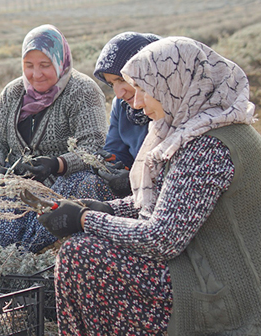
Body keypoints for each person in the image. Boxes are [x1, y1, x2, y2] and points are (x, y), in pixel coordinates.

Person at [39, 36, 261, 334]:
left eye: (144, 89)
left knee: (81, 256)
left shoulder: (208, 147)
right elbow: (174, 202)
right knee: (82, 250)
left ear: (175, 85)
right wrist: (107, 207)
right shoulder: (206, 129)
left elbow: (162, 239)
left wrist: (85, 219)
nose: (138, 102)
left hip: (222, 290)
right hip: (204, 264)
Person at [0, 24, 113, 253]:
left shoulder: (83, 91)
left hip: (58, 184)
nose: (36, 74)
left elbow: (94, 146)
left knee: (85, 184)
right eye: (29, 66)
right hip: (16, 184)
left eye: (45, 65)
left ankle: (37, 255)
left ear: (60, 61)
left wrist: (56, 164)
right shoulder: (14, 92)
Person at [92, 32, 161, 197]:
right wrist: (109, 164)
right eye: (111, 84)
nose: (119, 92)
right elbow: (116, 150)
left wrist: (133, 181)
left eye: (122, 79)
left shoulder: (171, 104)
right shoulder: (123, 106)